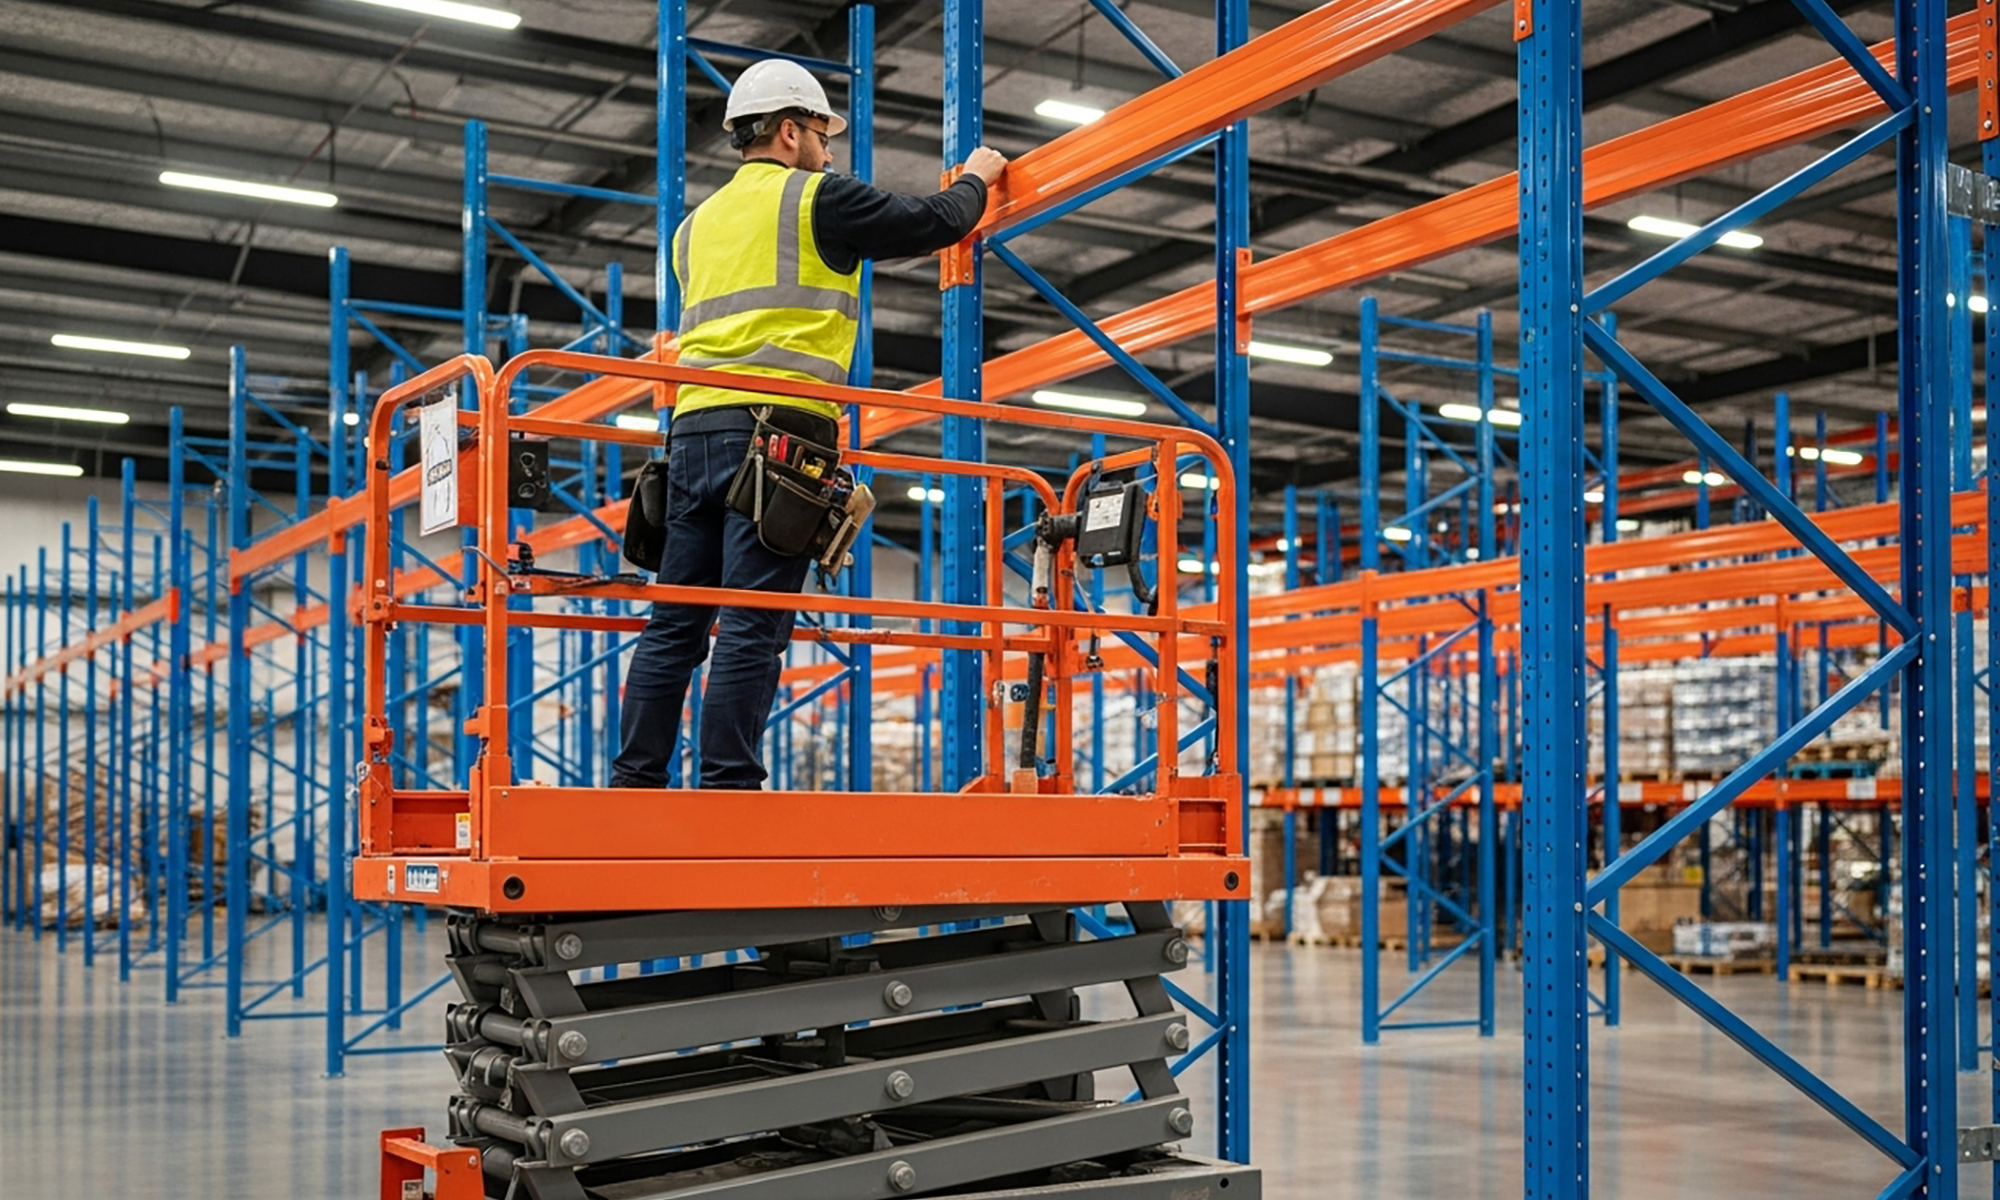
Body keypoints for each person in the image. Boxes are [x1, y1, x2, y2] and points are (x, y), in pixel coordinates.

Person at [610, 58, 1008, 790]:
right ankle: (728, 788)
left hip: (690, 434)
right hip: (779, 437)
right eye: (823, 134)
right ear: (790, 131)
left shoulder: (693, 230)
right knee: (753, 623)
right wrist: (977, 176)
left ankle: (634, 782)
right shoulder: (815, 199)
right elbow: (935, 223)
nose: (830, 150)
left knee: (676, 625)